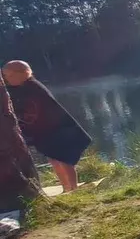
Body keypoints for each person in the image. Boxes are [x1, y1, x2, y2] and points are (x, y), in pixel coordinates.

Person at [1, 61, 92, 193]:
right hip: (46, 132)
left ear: (21, 74)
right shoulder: (22, 88)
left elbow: (39, 109)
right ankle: (65, 187)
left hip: (58, 129)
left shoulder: (34, 87)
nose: (6, 79)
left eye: (8, 75)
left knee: (65, 159)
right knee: (54, 159)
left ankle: (73, 188)